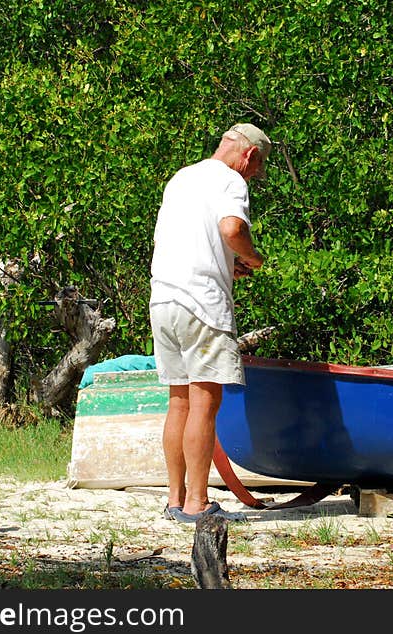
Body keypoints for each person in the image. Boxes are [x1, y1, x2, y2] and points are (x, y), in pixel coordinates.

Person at [149, 123, 271, 523]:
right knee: (205, 402)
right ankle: (198, 503)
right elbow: (231, 228)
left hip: (164, 298)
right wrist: (251, 258)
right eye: (258, 167)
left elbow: (190, 239)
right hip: (201, 304)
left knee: (178, 400)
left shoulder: (182, 178)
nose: (254, 175)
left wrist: (227, 262)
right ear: (249, 155)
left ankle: (175, 499)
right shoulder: (231, 180)